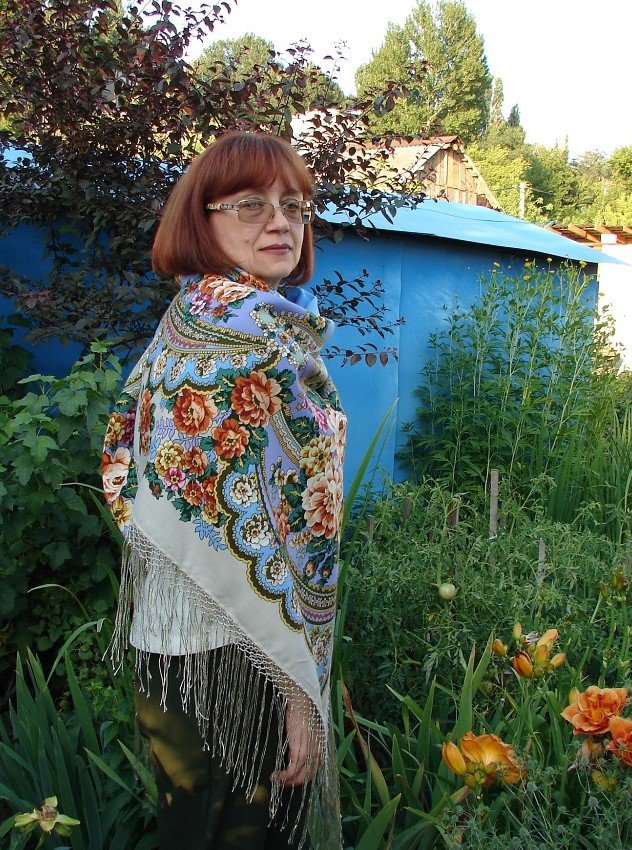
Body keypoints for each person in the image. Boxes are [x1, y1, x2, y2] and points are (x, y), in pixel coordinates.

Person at [101, 131, 346, 850]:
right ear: (202, 219)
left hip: (183, 641)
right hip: (230, 649)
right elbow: (273, 528)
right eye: (250, 205)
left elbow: (127, 463)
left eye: (294, 206)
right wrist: (296, 685)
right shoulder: (241, 331)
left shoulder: (196, 318)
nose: (280, 222)